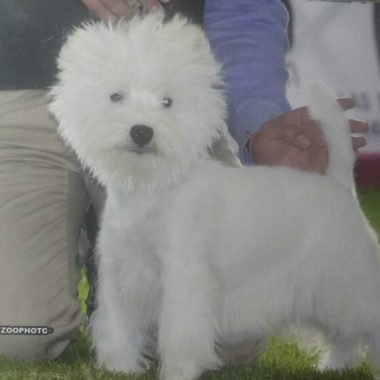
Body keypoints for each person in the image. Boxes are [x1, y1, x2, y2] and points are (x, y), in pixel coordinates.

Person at [0, 0, 367, 361]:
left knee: (227, 338)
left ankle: (118, 274)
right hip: (18, 93)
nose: (140, 122)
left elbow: (242, 11)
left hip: (175, 125)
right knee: (18, 336)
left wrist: (259, 116)